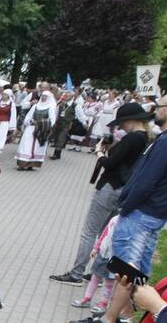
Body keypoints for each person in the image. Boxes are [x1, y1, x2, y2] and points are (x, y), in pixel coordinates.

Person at [69, 91, 167, 323]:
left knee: (126, 269)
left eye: (160, 106)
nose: (156, 110)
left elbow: (146, 180)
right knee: (136, 268)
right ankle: (125, 314)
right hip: (155, 214)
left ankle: (107, 322)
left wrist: (126, 205)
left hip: (141, 213)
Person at [49, 102, 153, 285]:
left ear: (130, 120)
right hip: (124, 188)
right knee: (107, 233)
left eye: (122, 122)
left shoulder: (132, 138)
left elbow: (111, 163)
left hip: (110, 186)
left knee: (89, 232)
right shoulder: (146, 138)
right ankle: (100, 271)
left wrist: (99, 153)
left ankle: (76, 273)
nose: (120, 126)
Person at [16, 87, 57, 170]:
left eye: (45, 97)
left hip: (41, 131)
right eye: (42, 96)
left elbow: (52, 121)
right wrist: (30, 121)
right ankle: (22, 164)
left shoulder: (50, 108)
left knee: (37, 147)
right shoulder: (35, 106)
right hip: (31, 129)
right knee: (26, 145)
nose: (43, 98)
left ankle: (31, 164)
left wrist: (40, 123)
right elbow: (28, 117)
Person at [50, 90, 82, 160]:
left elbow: (80, 115)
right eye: (65, 95)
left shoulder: (75, 105)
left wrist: (84, 123)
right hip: (58, 123)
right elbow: (56, 112)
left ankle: (57, 154)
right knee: (56, 137)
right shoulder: (61, 103)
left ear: (72, 96)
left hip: (67, 124)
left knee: (61, 138)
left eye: (67, 96)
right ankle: (57, 153)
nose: (65, 97)